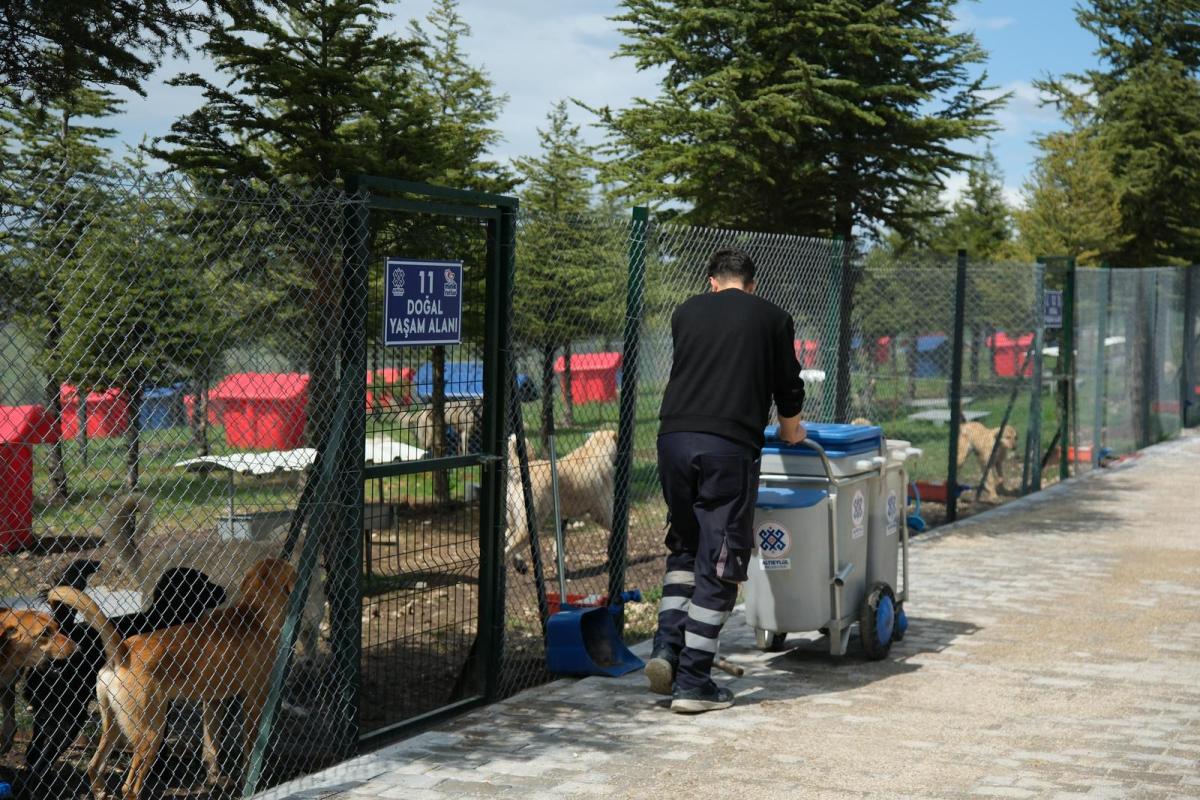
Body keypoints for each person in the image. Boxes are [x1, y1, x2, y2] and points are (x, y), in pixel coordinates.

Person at [647, 247, 806, 713]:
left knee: (686, 546)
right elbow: (787, 384)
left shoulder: (685, 312)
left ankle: (667, 652)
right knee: (721, 559)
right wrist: (791, 427)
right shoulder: (772, 317)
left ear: (711, 281)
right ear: (751, 284)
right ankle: (695, 682)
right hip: (727, 447)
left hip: (672, 440)